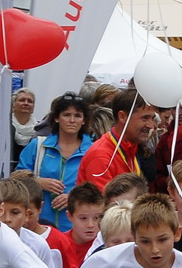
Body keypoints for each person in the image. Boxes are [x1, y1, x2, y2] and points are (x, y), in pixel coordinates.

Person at [18, 93, 92, 232]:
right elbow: (16, 178)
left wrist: (74, 197)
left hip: (78, 228)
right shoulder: (39, 145)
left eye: (77, 116)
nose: (72, 120)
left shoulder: (93, 150)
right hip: (39, 227)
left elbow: (100, 187)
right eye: (66, 115)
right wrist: (38, 182)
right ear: (56, 118)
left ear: (83, 120)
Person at [78, 84, 160, 189]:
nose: (151, 125)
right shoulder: (101, 156)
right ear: (122, 117)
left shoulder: (131, 147)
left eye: (152, 118)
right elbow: (106, 204)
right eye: (145, 118)